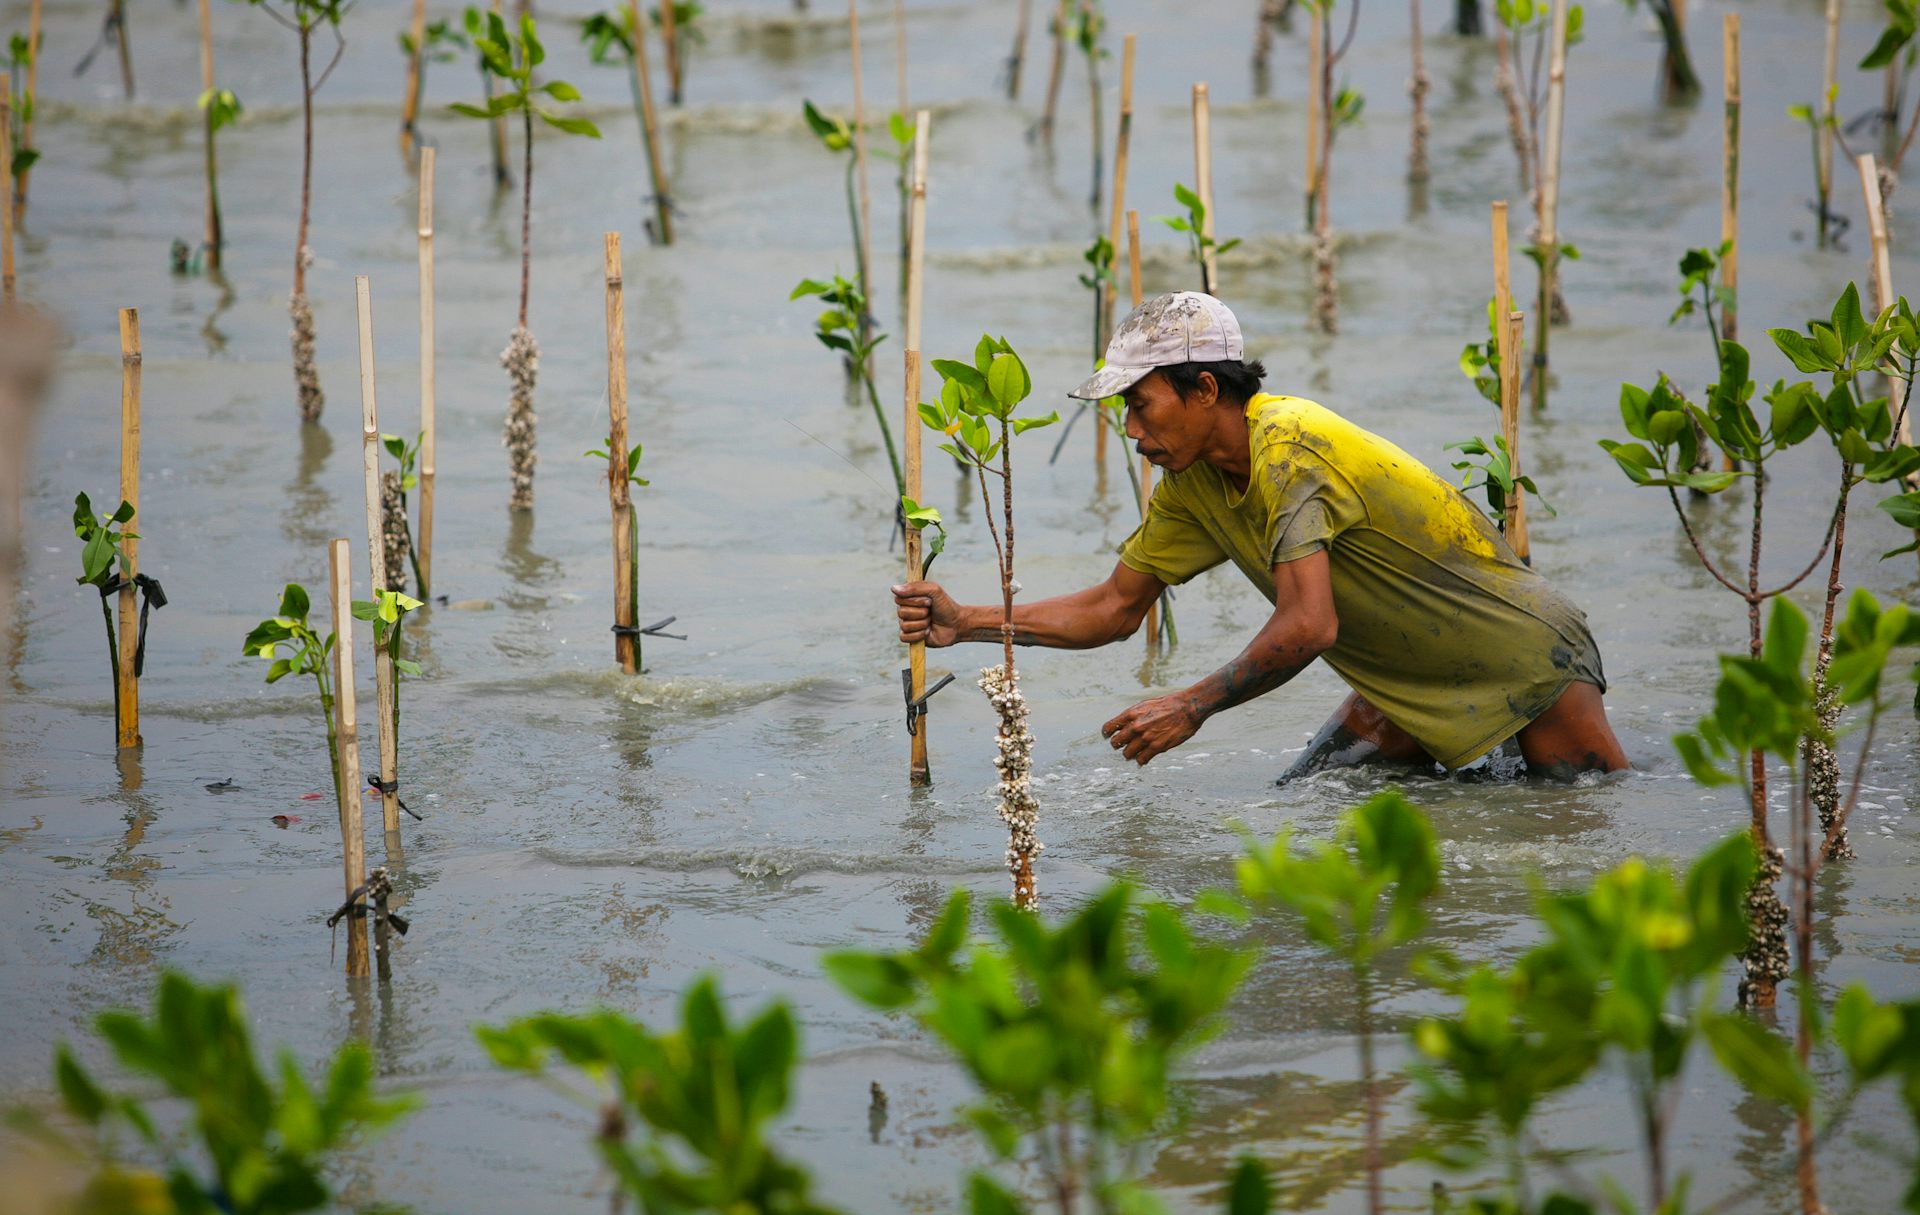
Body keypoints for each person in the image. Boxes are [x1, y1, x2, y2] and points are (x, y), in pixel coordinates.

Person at [891, 292, 1629, 781]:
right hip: (1404, 687)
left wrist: (1192, 704)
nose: (1133, 431)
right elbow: (1116, 607)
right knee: (1308, 802)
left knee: (1575, 848)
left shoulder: (1290, 450)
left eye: (1142, 406)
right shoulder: (1192, 484)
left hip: (1526, 663)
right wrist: (970, 622)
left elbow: (1309, 624)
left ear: (1205, 391)